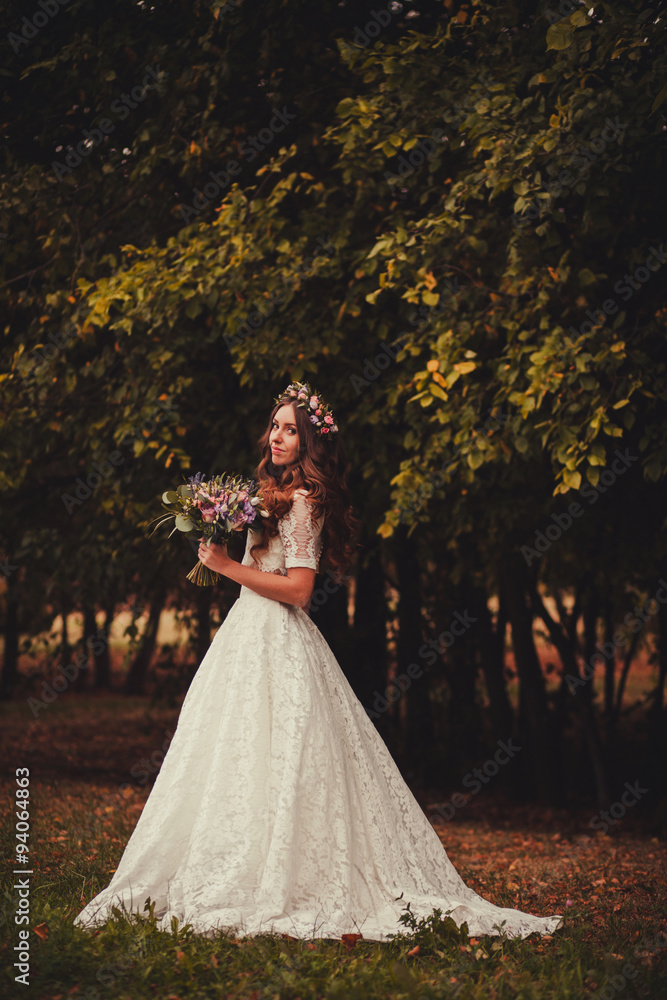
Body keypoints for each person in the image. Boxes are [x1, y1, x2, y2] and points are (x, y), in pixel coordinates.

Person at [74, 380, 564, 942]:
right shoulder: (270, 492)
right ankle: (234, 858)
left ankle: (288, 875)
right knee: (234, 752)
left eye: (290, 430)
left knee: (284, 755)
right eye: (275, 426)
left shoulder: (304, 500)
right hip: (245, 637)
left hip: (280, 638)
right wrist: (225, 548)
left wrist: (225, 565)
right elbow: (266, 567)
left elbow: (300, 590)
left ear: (310, 444)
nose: (277, 436)